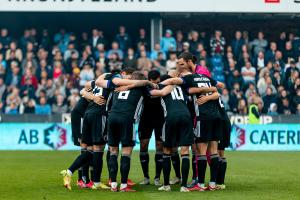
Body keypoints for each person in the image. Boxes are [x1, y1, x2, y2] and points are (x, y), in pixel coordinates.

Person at [161, 52, 222, 191]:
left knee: (199, 151)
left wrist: (161, 83)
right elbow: (220, 86)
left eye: (181, 64)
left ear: (188, 64)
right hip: (216, 116)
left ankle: (199, 184)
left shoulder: (190, 78)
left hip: (203, 116)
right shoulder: (205, 76)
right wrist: (209, 90)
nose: (179, 68)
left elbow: (176, 82)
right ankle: (213, 183)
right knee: (213, 151)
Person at [96, 71, 158, 192]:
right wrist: (150, 84)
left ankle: (113, 184)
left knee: (113, 151)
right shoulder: (143, 88)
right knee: (126, 152)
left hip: (112, 117)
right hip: (127, 119)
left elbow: (99, 83)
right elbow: (156, 94)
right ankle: (124, 185)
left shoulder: (117, 85)